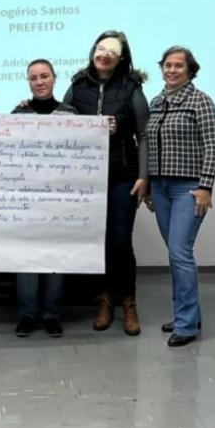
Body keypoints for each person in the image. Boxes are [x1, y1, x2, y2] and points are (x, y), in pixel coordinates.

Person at [62, 30, 150, 336]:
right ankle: (105, 299)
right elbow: (61, 122)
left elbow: (144, 134)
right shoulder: (77, 84)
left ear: (121, 57)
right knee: (96, 242)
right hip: (86, 178)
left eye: (112, 50)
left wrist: (143, 176)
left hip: (123, 175)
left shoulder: (131, 87)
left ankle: (128, 301)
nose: (105, 54)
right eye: (101, 48)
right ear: (93, 51)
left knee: (119, 240)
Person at [141, 46, 215, 348]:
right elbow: (149, 144)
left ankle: (186, 326)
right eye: (168, 65)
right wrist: (147, 184)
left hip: (188, 188)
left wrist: (206, 187)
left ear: (190, 70)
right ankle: (188, 314)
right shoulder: (157, 101)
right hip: (160, 188)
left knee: (180, 252)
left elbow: (213, 147)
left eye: (178, 66)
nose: (172, 70)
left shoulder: (201, 101)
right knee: (176, 255)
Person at [10, 59, 76, 338]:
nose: (39, 82)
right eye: (33, 78)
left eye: (44, 76)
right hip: (25, 200)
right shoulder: (18, 114)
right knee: (26, 257)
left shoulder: (71, 114)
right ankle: (27, 315)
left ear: (54, 79)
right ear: (28, 82)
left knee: (54, 257)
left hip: (59, 200)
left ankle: (51, 315)